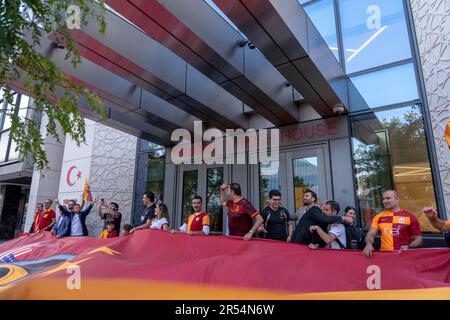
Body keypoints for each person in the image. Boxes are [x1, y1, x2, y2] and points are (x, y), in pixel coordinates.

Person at [363, 190, 423, 258]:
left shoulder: (410, 217)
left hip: (404, 256)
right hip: (385, 256)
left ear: (397, 199)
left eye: (388, 198)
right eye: (383, 199)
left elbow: (419, 239)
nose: (385, 201)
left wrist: (409, 246)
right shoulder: (378, 217)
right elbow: (370, 234)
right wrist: (368, 244)